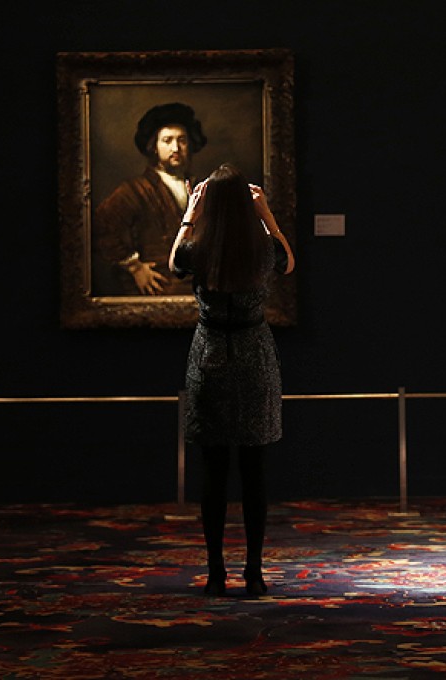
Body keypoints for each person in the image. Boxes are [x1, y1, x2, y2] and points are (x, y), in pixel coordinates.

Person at [168, 163, 295, 597]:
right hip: (254, 355)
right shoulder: (261, 248)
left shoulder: (200, 246)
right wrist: (267, 214)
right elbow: (289, 262)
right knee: (254, 470)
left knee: (214, 470)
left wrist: (190, 212)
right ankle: (255, 573)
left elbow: (173, 263)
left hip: (209, 356)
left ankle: (216, 573)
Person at [94, 102, 207, 296]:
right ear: (154, 147)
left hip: (201, 287)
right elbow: (99, 226)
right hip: (160, 287)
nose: (175, 148)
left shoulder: (202, 187)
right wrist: (135, 267)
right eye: (167, 140)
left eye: (182, 140)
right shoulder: (135, 189)